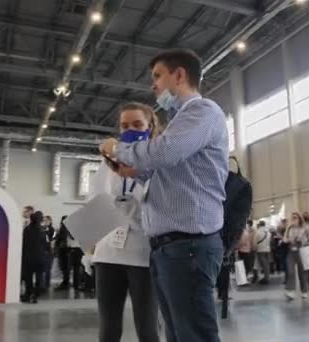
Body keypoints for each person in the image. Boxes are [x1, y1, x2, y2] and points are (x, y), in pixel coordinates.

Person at [100, 49, 228, 342]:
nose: (153, 85)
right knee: (177, 333)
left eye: (157, 76)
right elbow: (167, 170)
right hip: (169, 249)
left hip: (188, 246)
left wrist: (115, 147)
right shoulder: (180, 122)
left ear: (179, 75)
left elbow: (165, 152)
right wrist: (134, 172)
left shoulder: (202, 111)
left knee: (192, 334)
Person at [91, 102, 161, 342]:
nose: (130, 130)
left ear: (150, 127)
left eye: (137, 124)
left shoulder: (158, 161)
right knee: (108, 328)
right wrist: (88, 247)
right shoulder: (108, 162)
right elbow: (95, 200)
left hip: (143, 253)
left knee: (148, 327)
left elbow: (163, 205)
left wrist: (136, 203)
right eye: (124, 126)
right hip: (107, 253)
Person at [21, 211, 50, 303]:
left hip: (28, 258)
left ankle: (28, 294)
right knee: (39, 277)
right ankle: (35, 295)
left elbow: (23, 243)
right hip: (40, 257)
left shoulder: (26, 230)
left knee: (28, 278)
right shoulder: (42, 230)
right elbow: (46, 245)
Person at [283, 212, 309, 300]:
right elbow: (284, 239)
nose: (294, 219)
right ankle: (291, 291)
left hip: (302, 250)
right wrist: (289, 240)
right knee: (290, 271)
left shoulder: (306, 227)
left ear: (300, 218)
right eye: (292, 218)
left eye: (295, 217)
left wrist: (302, 240)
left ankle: (304, 291)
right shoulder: (289, 228)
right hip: (291, 251)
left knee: (302, 272)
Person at [54, 216, 71, 290]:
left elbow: (58, 240)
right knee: (65, 268)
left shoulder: (63, 229)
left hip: (64, 251)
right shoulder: (66, 229)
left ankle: (65, 283)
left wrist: (57, 246)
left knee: (64, 268)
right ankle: (65, 282)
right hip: (65, 251)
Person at [253, 220, 271, 285]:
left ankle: (266, 279)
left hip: (260, 250)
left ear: (259, 225)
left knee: (263, 265)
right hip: (267, 250)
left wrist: (254, 249)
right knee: (266, 264)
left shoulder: (257, 232)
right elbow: (270, 241)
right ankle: (267, 277)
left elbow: (254, 242)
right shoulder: (268, 232)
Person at [41, 216, 56, 291]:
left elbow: (53, 240)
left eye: (46, 220)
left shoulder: (53, 230)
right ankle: (42, 285)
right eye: (43, 220)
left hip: (49, 252)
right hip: (41, 251)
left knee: (47, 269)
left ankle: (46, 285)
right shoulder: (41, 229)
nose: (45, 222)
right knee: (42, 269)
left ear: (50, 221)